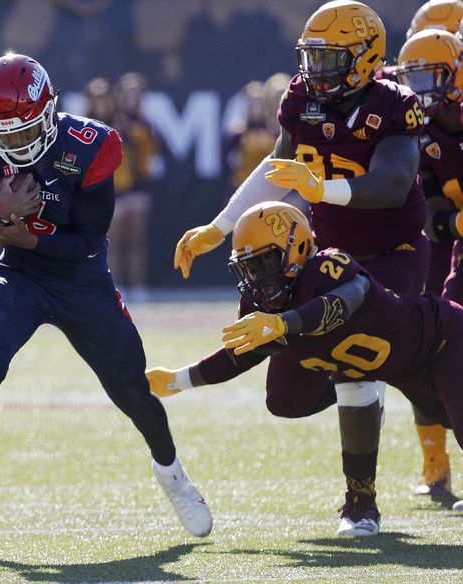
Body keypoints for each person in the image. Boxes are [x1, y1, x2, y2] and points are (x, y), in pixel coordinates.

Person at [0, 53, 212, 537]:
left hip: (81, 279)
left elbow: (87, 243)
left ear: (48, 112)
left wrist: (18, 233)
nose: (12, 143)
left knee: (131, 392)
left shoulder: (91, 144)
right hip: (19, 274)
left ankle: (174, 476)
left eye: (21, 131)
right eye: (3, 134)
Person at [172, 1, 427, 536]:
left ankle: (360, 503)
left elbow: (393, 184)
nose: (317, 70)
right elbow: (278, 167)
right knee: (284, 400)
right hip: (329, 251)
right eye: (312, 57)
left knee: (358, 363)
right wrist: (219, 227)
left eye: (330, 58)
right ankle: (359, 373)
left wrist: (320, 188)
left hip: (393, 252)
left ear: (365, 58)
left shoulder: (394, 104)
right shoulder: (302, 99)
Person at [147, 202, 463, 525]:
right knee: (284, 398)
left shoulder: (330, 267)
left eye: (265, 261)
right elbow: (240, 355)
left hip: (441, 344)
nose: (258, 276)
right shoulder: (264, 302)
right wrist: (177, 380)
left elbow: (347, 299)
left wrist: (283, 324)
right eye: (249, 267)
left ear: (296, 247)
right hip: (394, 367)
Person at [394, 28, 463, 497]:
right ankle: (435, 463)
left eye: (428, 78)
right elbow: (433, 215)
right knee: (437, 338)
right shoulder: (418, 124)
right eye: (412, 79)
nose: (418, 91)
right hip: (450, 247)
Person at [109, 72, 161, 302]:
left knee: (136, 240)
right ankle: (115, 285)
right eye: (128, 94)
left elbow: (153, 158)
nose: (132, 99)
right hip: (116, 190)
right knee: (114, 241)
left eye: (136, 95)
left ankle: (138, 286)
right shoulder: (112, 123)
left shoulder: (147, 125)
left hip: (138, 188)